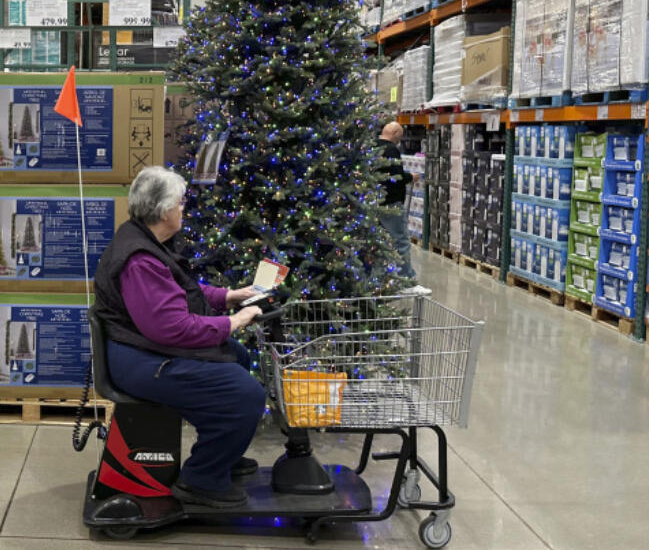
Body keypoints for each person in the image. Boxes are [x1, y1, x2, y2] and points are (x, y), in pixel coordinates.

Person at [92, 166, 324, 509]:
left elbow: (178, 291)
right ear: (164, 210)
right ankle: (201, 479)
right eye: (181, 203)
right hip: (139, 358)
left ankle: (220, 453)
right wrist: (235, 321)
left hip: (143, 347)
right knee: (245, 393)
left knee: (238, 358)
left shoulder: (146, 241)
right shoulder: (140, 259)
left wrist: (229, 295)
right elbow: (172, 327)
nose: (184, 209)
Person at [376, 121, 414, 277]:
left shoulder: (372, 146)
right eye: (400, 137)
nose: (399, 141)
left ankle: (379, 277)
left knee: (379, 242)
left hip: (375, 201)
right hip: (391, 203)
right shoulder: (391, 150)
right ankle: (407, 279)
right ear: (395, 134)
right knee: (401, 241)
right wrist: (411, 176)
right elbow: (395, 177)